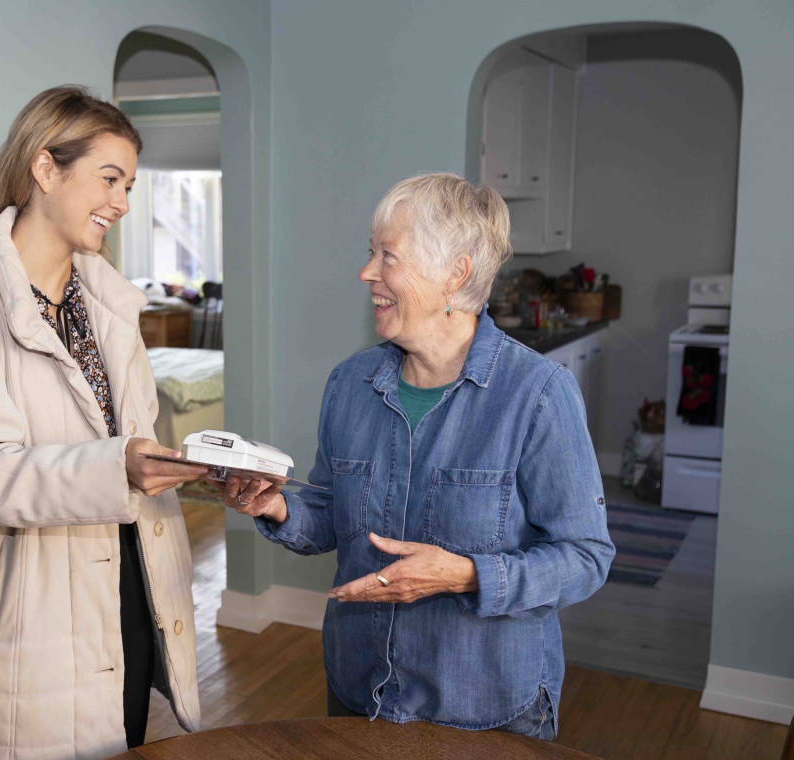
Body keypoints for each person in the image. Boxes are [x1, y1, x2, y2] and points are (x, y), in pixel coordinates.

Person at [217, 173, 614, 740]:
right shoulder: (349, 383)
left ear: (456, 273)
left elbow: (586, 558)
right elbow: (328, 512)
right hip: (360, 689)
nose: (366, 272)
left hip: (486, 708)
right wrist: (274, 506)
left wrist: (466, 576)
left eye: (388, 256)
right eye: (370, 253)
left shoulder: (538, 393)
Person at [0, 86, 208, 760]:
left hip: (126, 585)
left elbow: (125, 441)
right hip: (21, 610)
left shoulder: (110, 305)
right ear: (45, 168)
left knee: (123, 738)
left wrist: (192, 470)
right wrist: (119, 466)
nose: (122, 202)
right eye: (109, 179)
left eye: (128, 185)